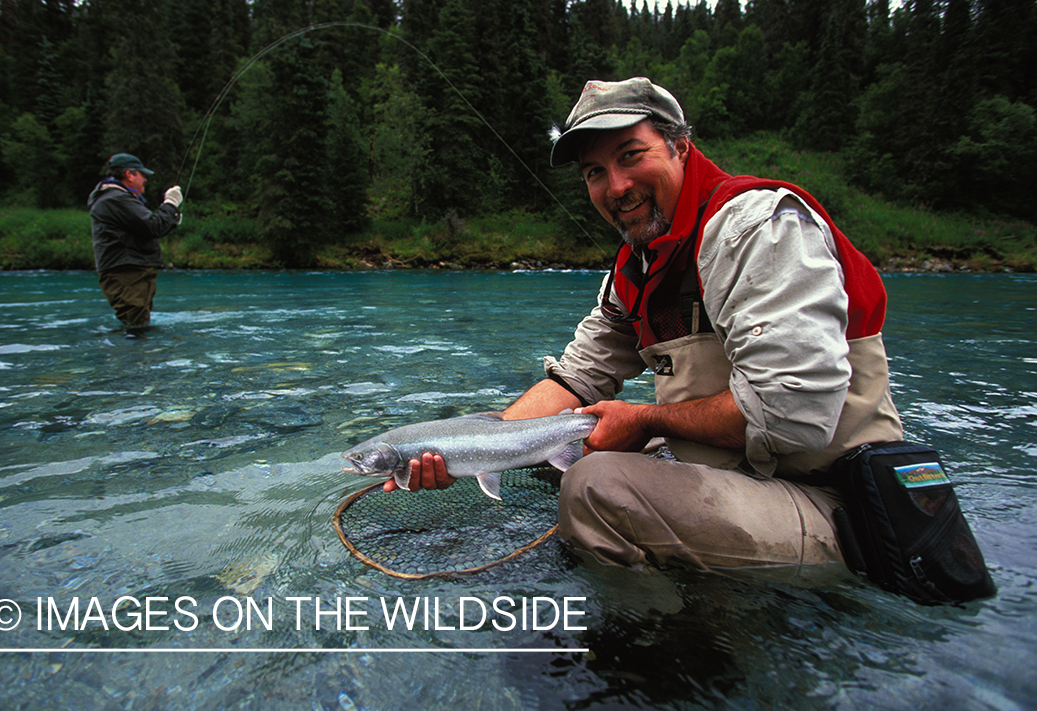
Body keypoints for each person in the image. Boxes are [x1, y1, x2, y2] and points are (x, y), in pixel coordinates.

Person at [386, 77, 904, 576]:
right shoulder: (636, 269)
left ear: (681, 146)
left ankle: (650, 650)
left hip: (839, 503)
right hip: (730, 474)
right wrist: (468, 446)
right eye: (594, 172)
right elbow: (575, 380)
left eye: (631, 156)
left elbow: (792, 412)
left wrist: (646, 420)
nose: (616, 186)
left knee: (595, 484)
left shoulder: (756, 230)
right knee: (554, 452)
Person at [88, 153, 183, 335]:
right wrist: (171, 204)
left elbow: (144, 229)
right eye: (141, 174)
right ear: (129, 175)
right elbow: (153, 226)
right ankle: (133, 362)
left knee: (138, 326)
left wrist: (171, 219)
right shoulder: (115, 198)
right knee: (137, 329)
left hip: (128, 272)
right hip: (126, 273)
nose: (145, 179)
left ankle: (137, 361)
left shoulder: (113, 197)